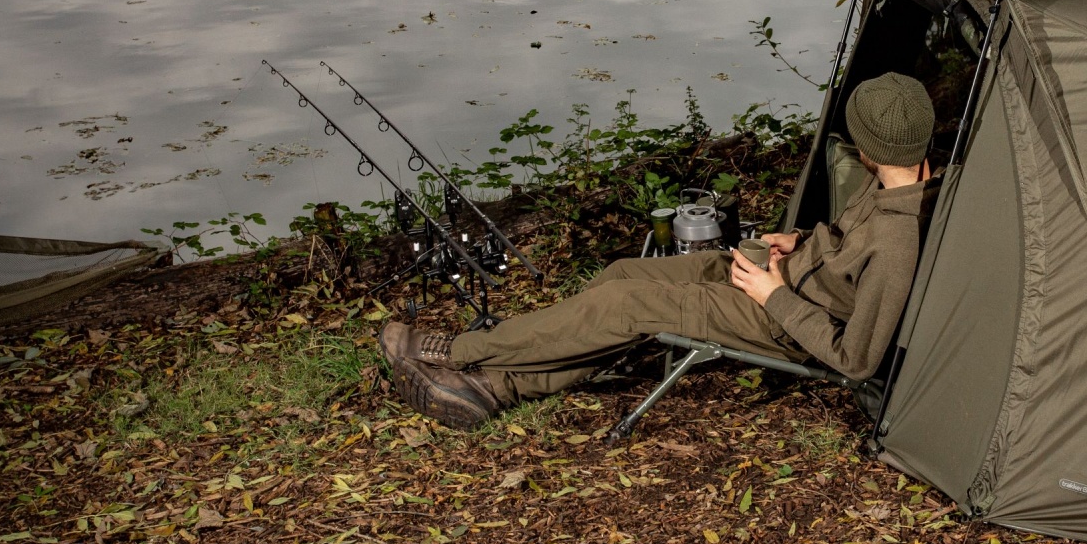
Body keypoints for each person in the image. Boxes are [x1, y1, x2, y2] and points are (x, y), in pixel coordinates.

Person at [378, 72, 941, 429]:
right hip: (780, 274)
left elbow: (856, 359)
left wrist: (773, 297)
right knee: (626, 270)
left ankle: (457, 352)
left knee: (626, 306)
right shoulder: (903, 177)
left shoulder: (898, 240)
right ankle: (500, 385)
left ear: (865, 148)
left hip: (782, 320)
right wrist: (801, 241)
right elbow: (846, 242)